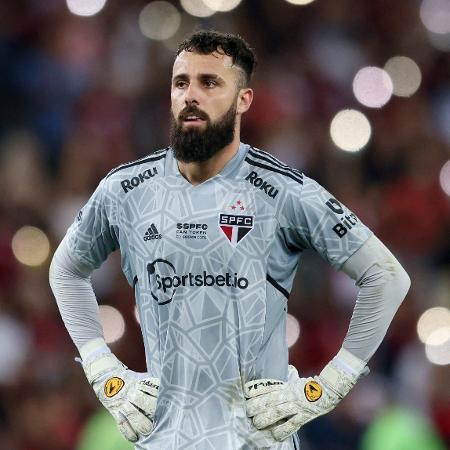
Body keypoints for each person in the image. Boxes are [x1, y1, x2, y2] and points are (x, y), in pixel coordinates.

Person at [49, 30, 411, 450]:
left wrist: (327, 387)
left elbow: (386, 276)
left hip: (257, 442)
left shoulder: (282, 191)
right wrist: (102, 370)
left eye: (210, 83)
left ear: (244, 100)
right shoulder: (125, 190)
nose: (191, 95)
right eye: (181, 82)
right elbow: (66, 269)